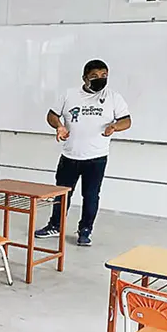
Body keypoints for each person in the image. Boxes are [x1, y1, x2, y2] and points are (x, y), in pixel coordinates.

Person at [35, 59, 132, 247]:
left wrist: (114, 127)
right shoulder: (69, 95)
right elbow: (52, 115)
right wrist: (60, 126)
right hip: (70, 156)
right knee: (62, 194)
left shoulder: (113, 97)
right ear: (85, 78)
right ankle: (55, 225)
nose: (100, 79)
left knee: (91, 195)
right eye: (94, 76)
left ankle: (85, 230)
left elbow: (126, 120)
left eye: (104, 76)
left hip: (96, 158)